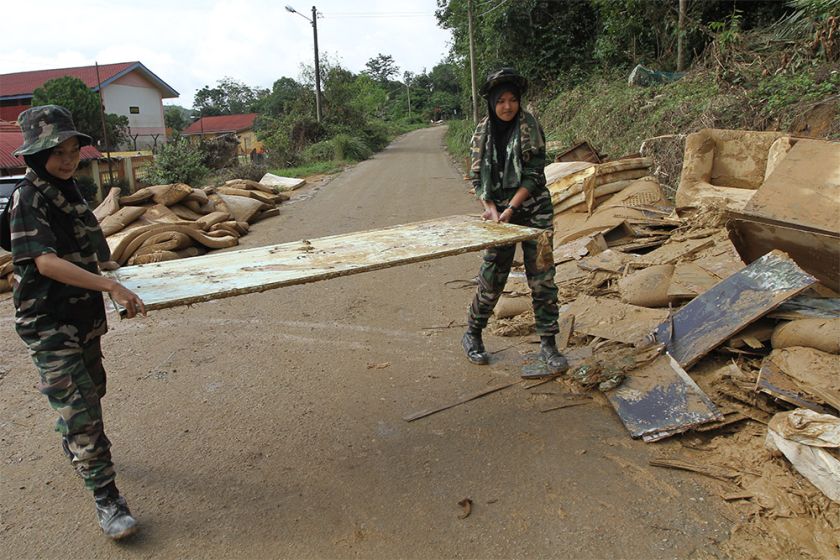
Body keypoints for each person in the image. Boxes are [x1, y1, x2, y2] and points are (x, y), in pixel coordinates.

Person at [9, 105, 147, 540]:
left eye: (72, 150)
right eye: (57, 152)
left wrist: (125, 274)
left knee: (92, 391)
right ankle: (107, 499)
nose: (68, 159)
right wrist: (110, 288)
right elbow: (46, 263)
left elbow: (92, 252)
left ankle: (74, 440)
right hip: (48, 321)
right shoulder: (27, 199)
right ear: (34, 154)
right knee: (83, 412)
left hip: (81, 316)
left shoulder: (70, 191)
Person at [462, 68, 568, 377]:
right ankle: (473, 333)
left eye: (513, 100)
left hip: (533, 209)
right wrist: (491, 208)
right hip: (500, 215)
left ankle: (548, 344)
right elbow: (476, 176)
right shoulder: (482, 132)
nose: (507, 106)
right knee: (493, 276)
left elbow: (535, 173)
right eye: (501, 101)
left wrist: (513, 206)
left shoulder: (530, 127)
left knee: (543, 278)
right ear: (492, 104)